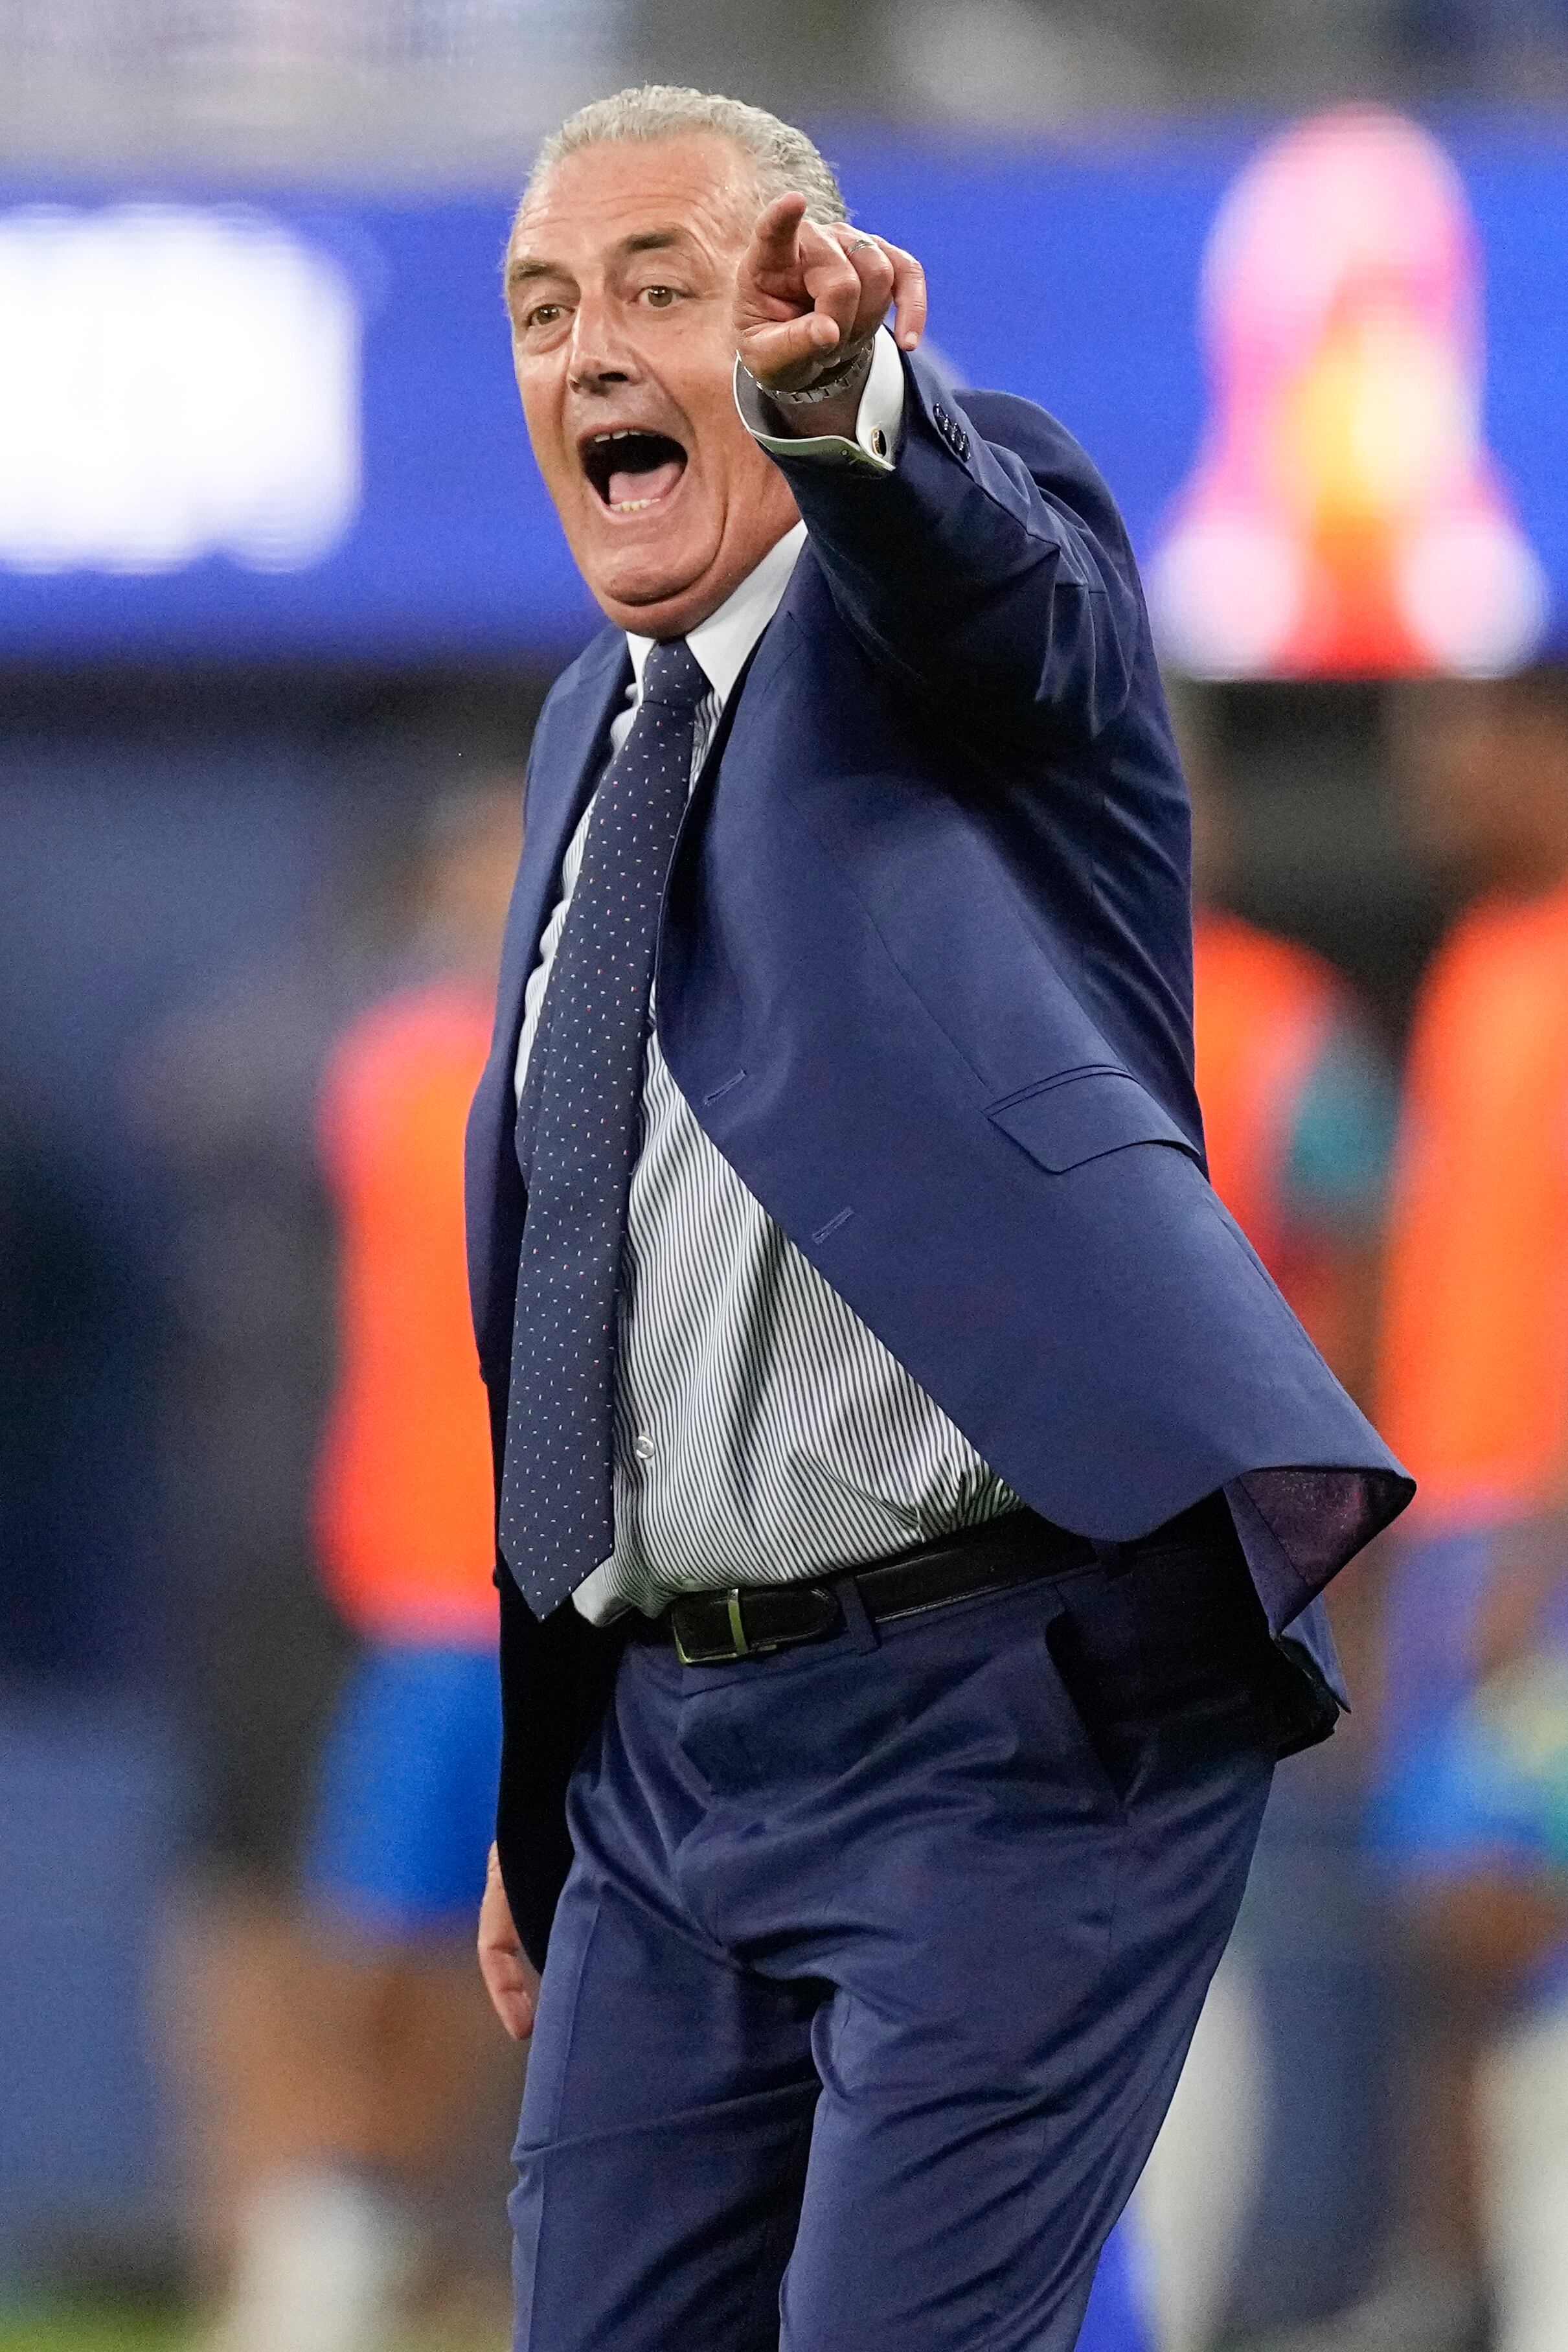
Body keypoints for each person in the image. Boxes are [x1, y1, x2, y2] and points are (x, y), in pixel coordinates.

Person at [464, 86, 1412, 2352]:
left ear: (796, 293)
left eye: (661, 294)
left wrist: (848, 410)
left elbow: (991, 591)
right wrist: (549, 1789)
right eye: (542, 310)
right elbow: (579, 1273)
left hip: (996, 1720)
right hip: (668, 1766)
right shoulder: (584, 723)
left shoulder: (945, 594)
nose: (589, 351)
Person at [200, 784, 525, 2352]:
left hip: (586, 1599)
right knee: (374, 1942)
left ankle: (493, 2251)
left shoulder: (640, 1045)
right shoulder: (379, 1062)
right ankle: (335, 2245)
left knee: (564, 1959)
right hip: (413, 1599)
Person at [1361, 665, 1568, 2352]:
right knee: (1435, 1924)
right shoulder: (1474, 967)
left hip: (1532, 1524)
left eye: (1460, 747)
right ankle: (1458, 2287)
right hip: (1450, 1520)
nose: (1432, 783)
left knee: (1506, 1905)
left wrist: (1538, 1534)